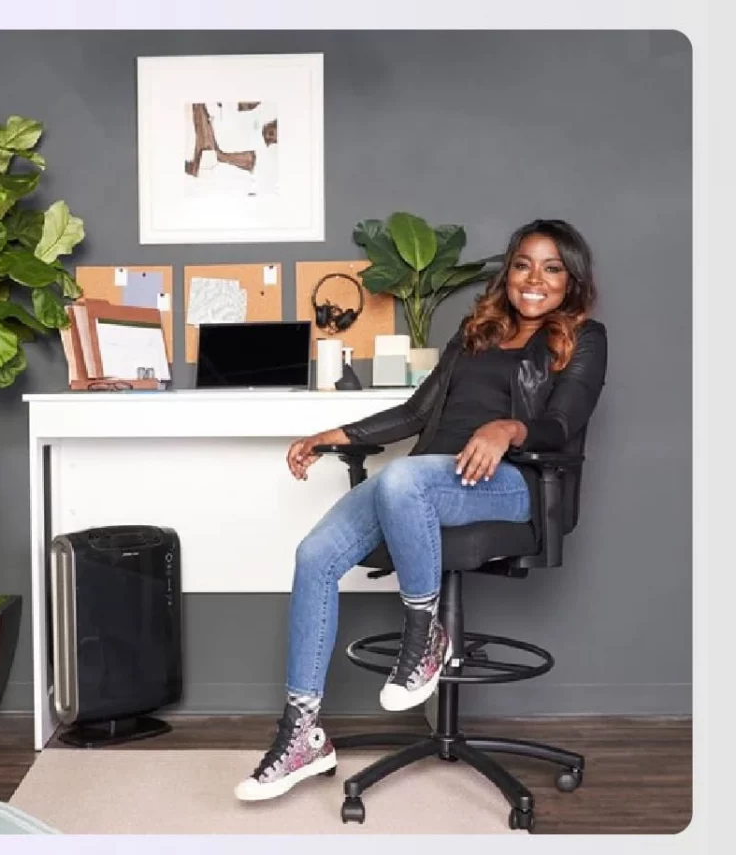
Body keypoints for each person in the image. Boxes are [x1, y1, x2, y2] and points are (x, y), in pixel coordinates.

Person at [234, 219, 608, 802]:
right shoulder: (477, 331)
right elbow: (415, 414)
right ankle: (302, 734)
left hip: (514, 483)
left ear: (571, 279)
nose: (534, 279)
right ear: (507, 271)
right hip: (426, 481)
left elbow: (563, 423)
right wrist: (334, 431)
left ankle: (424, 635)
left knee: (403, 477)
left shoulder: (583, 337)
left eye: (552, 267)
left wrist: (508, 427)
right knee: (316, 555)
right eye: (522, 264)